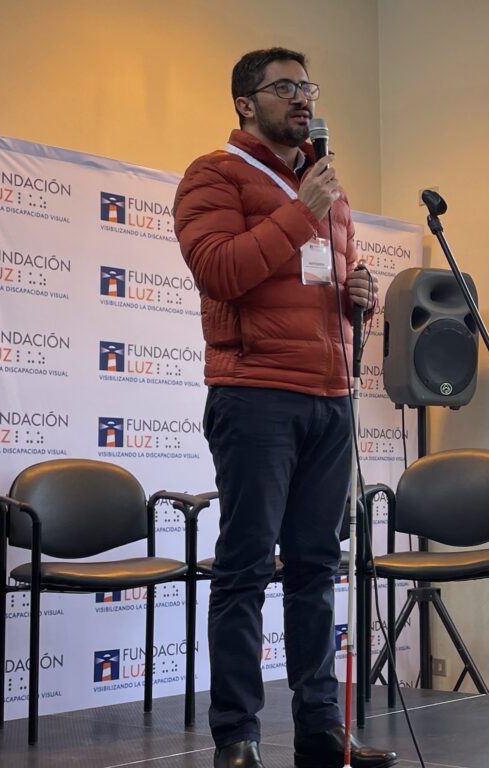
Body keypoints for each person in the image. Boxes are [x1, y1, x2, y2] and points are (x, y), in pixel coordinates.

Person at [174, 48, 396, 768]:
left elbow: (324, 283)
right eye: (285, 87)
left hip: (329, 397)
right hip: (255, 394)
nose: (303, 98)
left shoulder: (327, 188)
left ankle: (321, 729)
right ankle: (237, 737)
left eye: (308, 87)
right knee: (244, 567)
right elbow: (220, 270)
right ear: (246, 103)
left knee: (315, 568)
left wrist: (358, 294)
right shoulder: (215, 175)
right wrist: (302, 215)